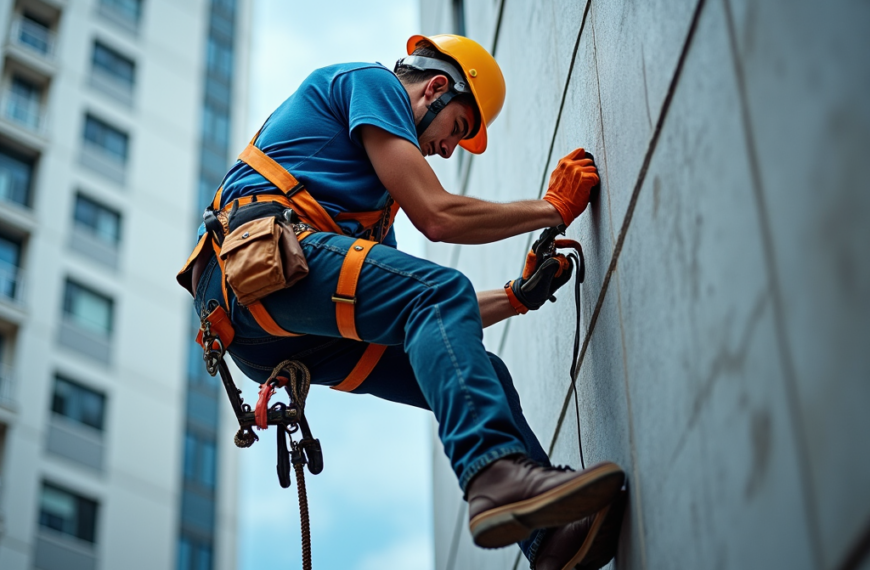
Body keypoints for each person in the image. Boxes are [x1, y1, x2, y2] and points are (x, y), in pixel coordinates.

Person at [179, 34, 626, 570]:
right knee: (439, 291)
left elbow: (412, 313)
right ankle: (493, 472)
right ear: (435, 88)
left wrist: (515, 298)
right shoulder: (371, 84)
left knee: (483, 367)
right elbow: (437, 217)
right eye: (456, 129)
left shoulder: (371, 210)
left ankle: (549, 539)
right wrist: (551, 208)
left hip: (262, 324)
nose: (446, 149)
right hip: (259, 265)